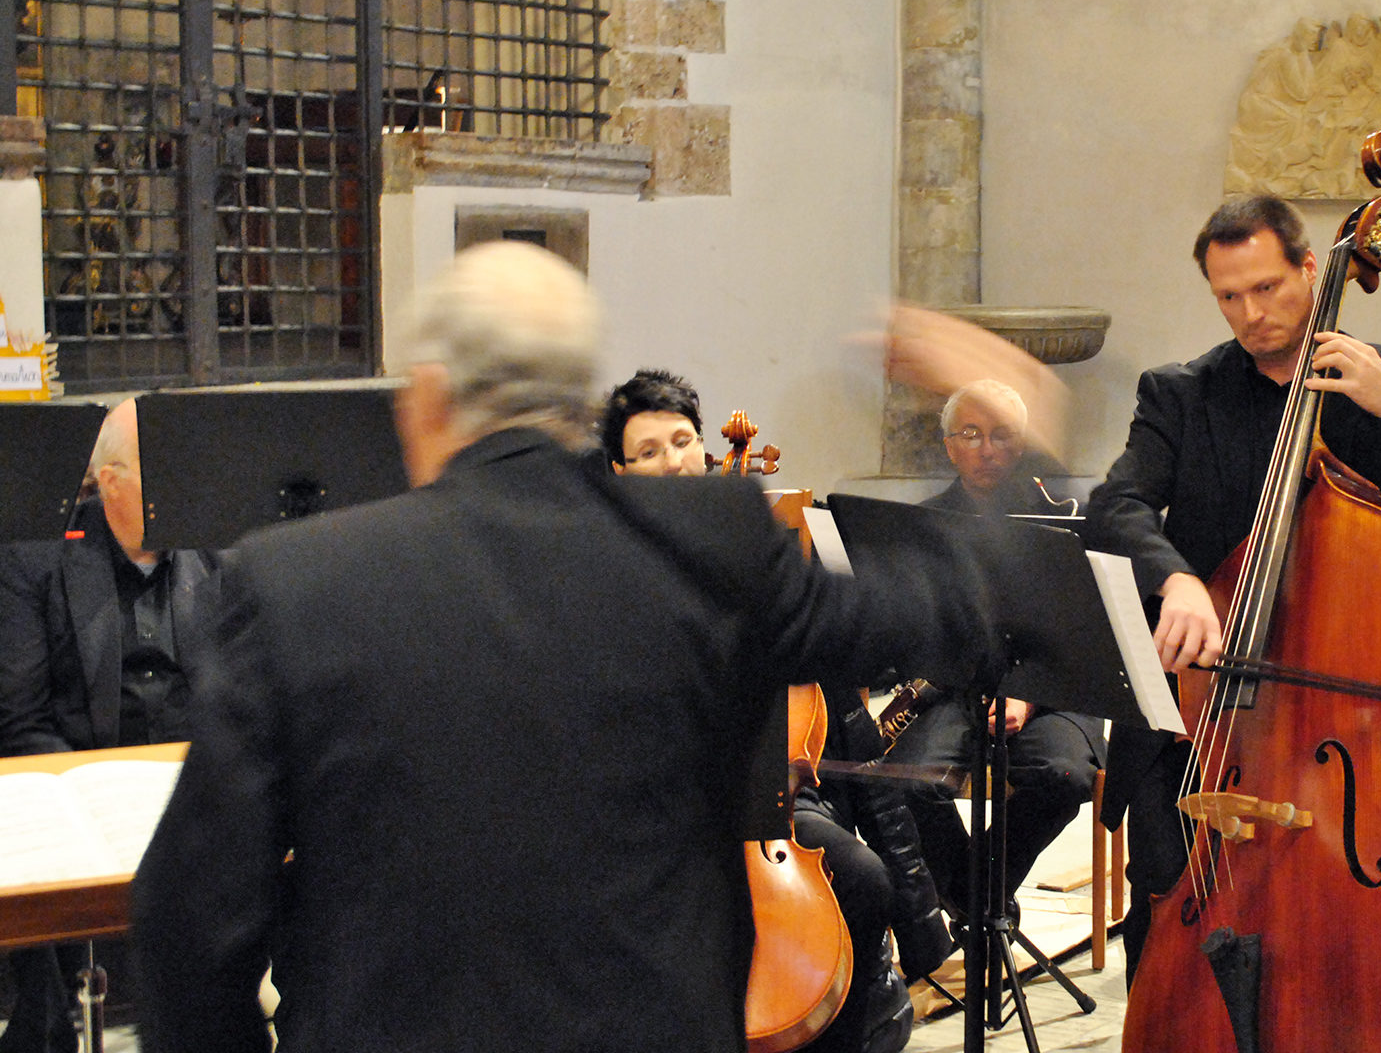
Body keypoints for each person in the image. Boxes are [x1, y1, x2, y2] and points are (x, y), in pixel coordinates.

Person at [130, 242, 993, 1053]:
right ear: (583, 408)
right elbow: (947, 613)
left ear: (426, 398)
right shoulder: (714, 544)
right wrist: (995, 401)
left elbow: (190, 925)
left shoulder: (293, 583)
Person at [1085, 193, 1381, 981]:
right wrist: (1181, 582)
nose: (1251, 313)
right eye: (1230, 296)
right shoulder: (1181, 393)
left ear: (1308, 269)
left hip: (1348, 720)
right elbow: (1116, 505)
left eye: (1268, 287)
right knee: (1166, 902)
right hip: (1212, 715)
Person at [597, 367, 950, 1053]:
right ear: (618, 471)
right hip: (654, 808)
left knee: (863, 878)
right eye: (649, 452)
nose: (674, 462)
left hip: (768, 810)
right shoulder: (602, 567)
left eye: (681, 441)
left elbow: (844, 717)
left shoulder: (754, 556)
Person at [0, 399, 221, 1053]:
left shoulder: (219, 548)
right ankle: (47, 1027)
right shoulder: (36, 558)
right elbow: (20, 717)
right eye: (164, 475)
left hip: (198, 785)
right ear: (110, 482)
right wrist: (89, 803)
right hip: (84, 789)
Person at [884, 380, 1105, 920]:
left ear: (1022, 442)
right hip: (957, 688)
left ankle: (974, 896)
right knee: (904, 785)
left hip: (1054, 690)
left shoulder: (1070, 520)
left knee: (1065, 777)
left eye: (1002, 435)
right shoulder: (924, 524)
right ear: (948, 444)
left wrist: (1026, 696)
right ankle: (982, 902)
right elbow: (920, 629)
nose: (987, 449)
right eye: (971, 434)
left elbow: (1083, 632)